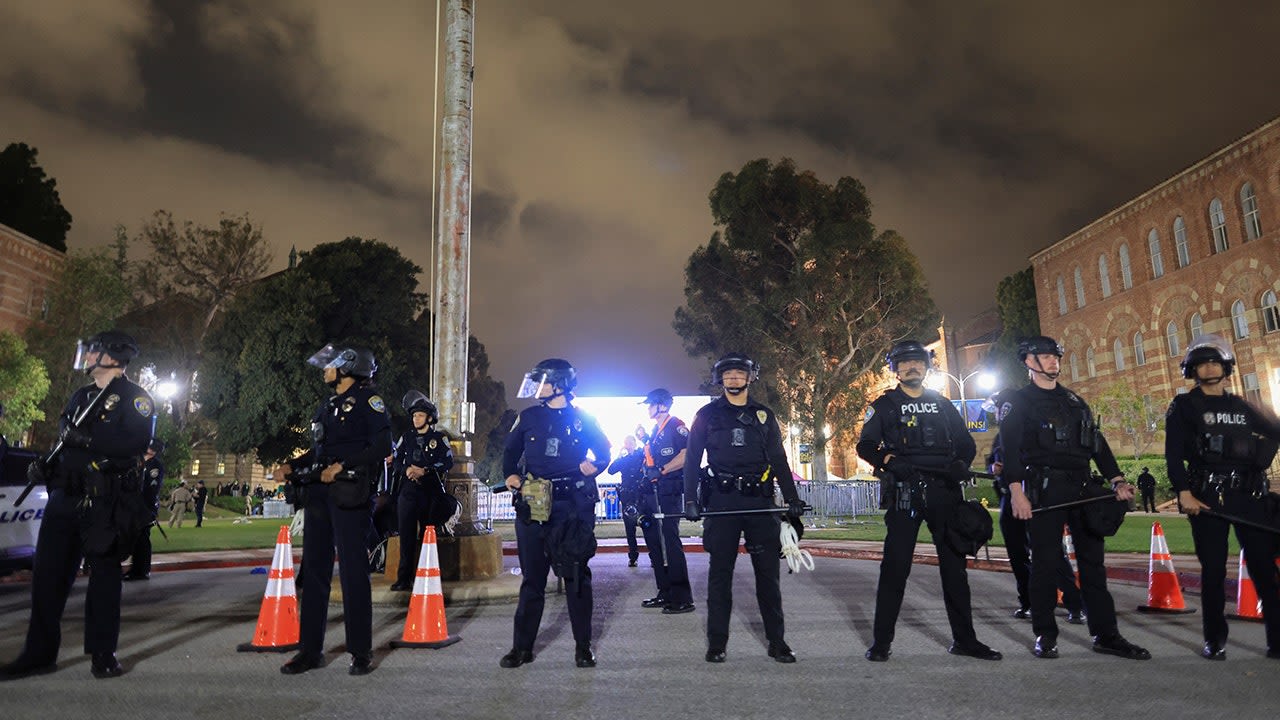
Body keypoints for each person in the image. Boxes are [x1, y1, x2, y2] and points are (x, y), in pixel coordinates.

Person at [0, 330, 155, 680]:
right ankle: (38, 654)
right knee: (48, 577)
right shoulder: (81, 396)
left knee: (104, 578)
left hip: (104, 500)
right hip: (64, 497)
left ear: (113, 356)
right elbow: (64, 443)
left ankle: (103, 654)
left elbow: (134, 443)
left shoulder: (135, 398)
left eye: (93, 352)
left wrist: (86, 438)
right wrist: (44, 466)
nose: (86, 357)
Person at [1000, 336, 1149, 660]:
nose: (1053, 361)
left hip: (1084, 489)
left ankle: (1106, 635)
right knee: (1045, 564)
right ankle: (1046, 636)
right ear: (1028, 361)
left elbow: (1097, 444)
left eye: (1055, 356)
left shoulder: (1074, 401)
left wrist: (1117, 480)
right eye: (1045, 356)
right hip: (1044, 489)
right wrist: (1016, 492)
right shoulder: (1017, 401)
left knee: (1093, 566)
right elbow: (1010, 450)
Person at [856, 340, 1001, 662]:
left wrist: (960, 464)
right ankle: (881, 643)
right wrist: (889, 461)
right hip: (906, 492)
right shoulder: (884, 406)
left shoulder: (943, 404)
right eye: (905, 363)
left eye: (918, 362)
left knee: (955, 570)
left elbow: (964, 444)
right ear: (894, 369)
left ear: (926, 367)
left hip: (945, 492)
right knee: (895, 569)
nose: (912, 367)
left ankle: (965, 640)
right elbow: (865, 446)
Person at [274, 344, 392, 676]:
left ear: (347, 368)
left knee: (354, 572)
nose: (325, 370)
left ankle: (360, 651)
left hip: (350, 493)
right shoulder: (328, 406)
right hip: (319, 495)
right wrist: (291, 464)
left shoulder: (370, 402)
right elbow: (318, 452)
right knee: (314, 572)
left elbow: (383, 446)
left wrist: (344, 465)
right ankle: (310, 650)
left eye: (330, 366)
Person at [682, 352, 804, 664]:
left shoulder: (764, 415)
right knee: (720, 575)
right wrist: (691, 501)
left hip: (759, 503)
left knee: (768, 577)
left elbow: (778, 459)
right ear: (719, 379)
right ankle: (717, 643)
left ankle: (777, 642)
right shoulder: (706, 415)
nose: (734, 379)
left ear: (750, 378)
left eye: (739, 374)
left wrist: (791, 499)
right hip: (722, 503)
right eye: (728, 375)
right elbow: (692, 460)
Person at [1165, 334, 1280, 660]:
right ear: (1192, 369)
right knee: (1213, 572)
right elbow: (1173, 453)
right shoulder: (1184, 407)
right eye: (1202, 363)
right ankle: (1214, 640)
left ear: (1226, 366)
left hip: (1249, 495)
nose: (1210, 367)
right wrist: (1183, 492)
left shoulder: (1242, 406)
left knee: (1264, 570)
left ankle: (1277, 640)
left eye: (1215, 361)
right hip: (1207, 497)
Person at [500, 358, 610, 669]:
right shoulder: (529, 417)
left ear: (559, 384)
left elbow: (604, 451)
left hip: (571, 507)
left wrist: (595, 465)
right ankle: (521, 648)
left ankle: (583, 647)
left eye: (542, 381)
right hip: (534, 505)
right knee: (532, 580)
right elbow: (510, 453)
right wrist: (511, 475)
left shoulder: (583, 419)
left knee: (576, 578)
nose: (537, 387)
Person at [986, 424, 1085, 624]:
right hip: (1009, 499)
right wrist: (993, 468)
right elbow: (992, 461)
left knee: (1050, 552)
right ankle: (1028, 602)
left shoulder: (1033, 431)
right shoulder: (1001, 436)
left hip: (1035, 498)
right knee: (1017, 555)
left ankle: (1074, 603)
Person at [636, 388, 695, 614]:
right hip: (654, 491)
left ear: (661, 405)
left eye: (651, 404)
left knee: (670, 542)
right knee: (655, 542)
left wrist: (662, 470)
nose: (648, 408)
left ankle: (682, 597)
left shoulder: (675, 425)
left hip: (669, 491)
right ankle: (665, 591)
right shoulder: (655, 430)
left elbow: (687, 453)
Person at [389, 390, 455, 591]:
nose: (416, 418)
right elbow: (396, 459)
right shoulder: (406, 437)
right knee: (406, 536)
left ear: (429, 418)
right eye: (414, 415)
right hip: (408, 490)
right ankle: (404, 579)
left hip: (430, 490)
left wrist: (425, 470)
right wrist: (407, 469)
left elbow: (448, 461)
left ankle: (429, 575)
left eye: (419, 415)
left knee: (428, 536)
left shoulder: (439, 438)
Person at [124, 439, 166, 581]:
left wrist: (146, 508)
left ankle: (142, 570)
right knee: (135, 538)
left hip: (145, 506)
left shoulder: (155, 465)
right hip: (136, 504)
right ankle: (136, 568)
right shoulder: (139, 461)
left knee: (142, 538)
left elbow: (151, 489)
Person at [606, 434, 644, 566]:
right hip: (627, 497)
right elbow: (611, 470)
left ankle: (654, 557)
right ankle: (633, 557)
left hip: (641, 495)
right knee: (630, 529)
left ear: (634, 443)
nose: (627, 445)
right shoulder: (624, 459)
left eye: (629, 442)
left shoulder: (641, 455)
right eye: (625, 442)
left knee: (648, 526)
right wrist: (619, 455)